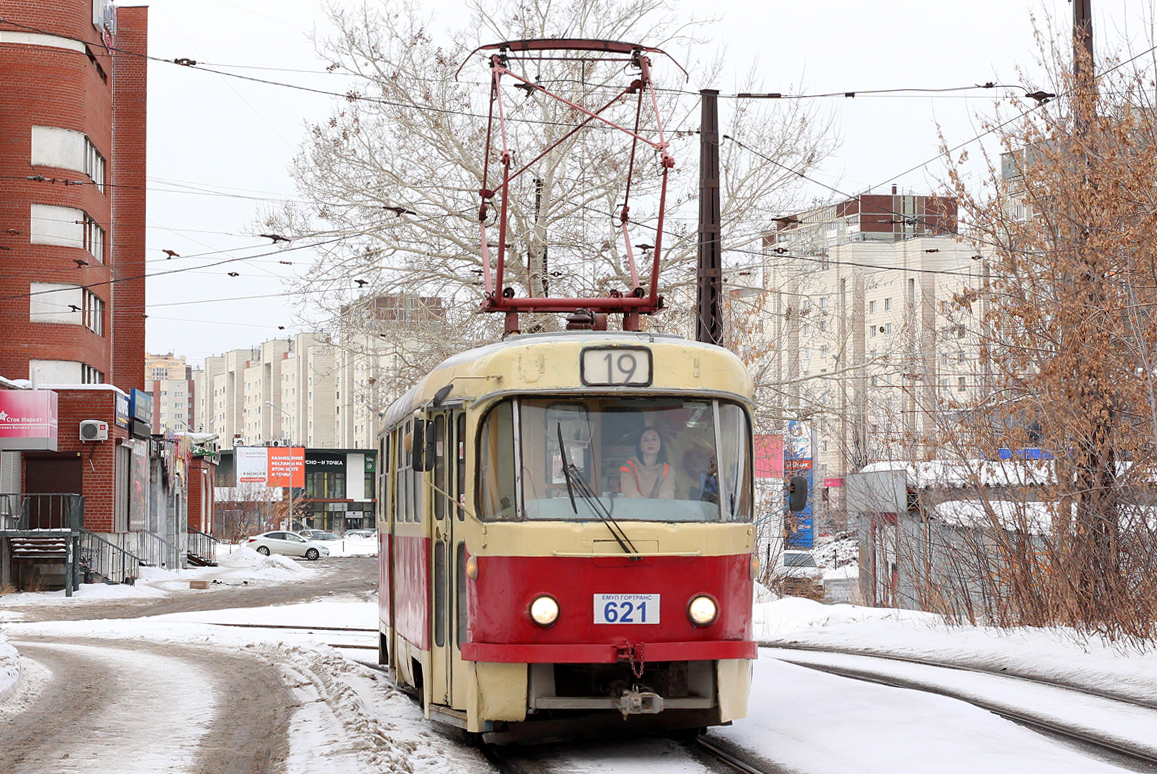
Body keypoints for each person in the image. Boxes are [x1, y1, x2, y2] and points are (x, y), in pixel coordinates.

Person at [620, 427, 675, 499]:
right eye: (645, 440)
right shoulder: (628, 467)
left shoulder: (668, 470)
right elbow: (631, 495)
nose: (650, 443)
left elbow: (667, 496)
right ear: (640, 446)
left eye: (654, 439)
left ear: (660, 444)